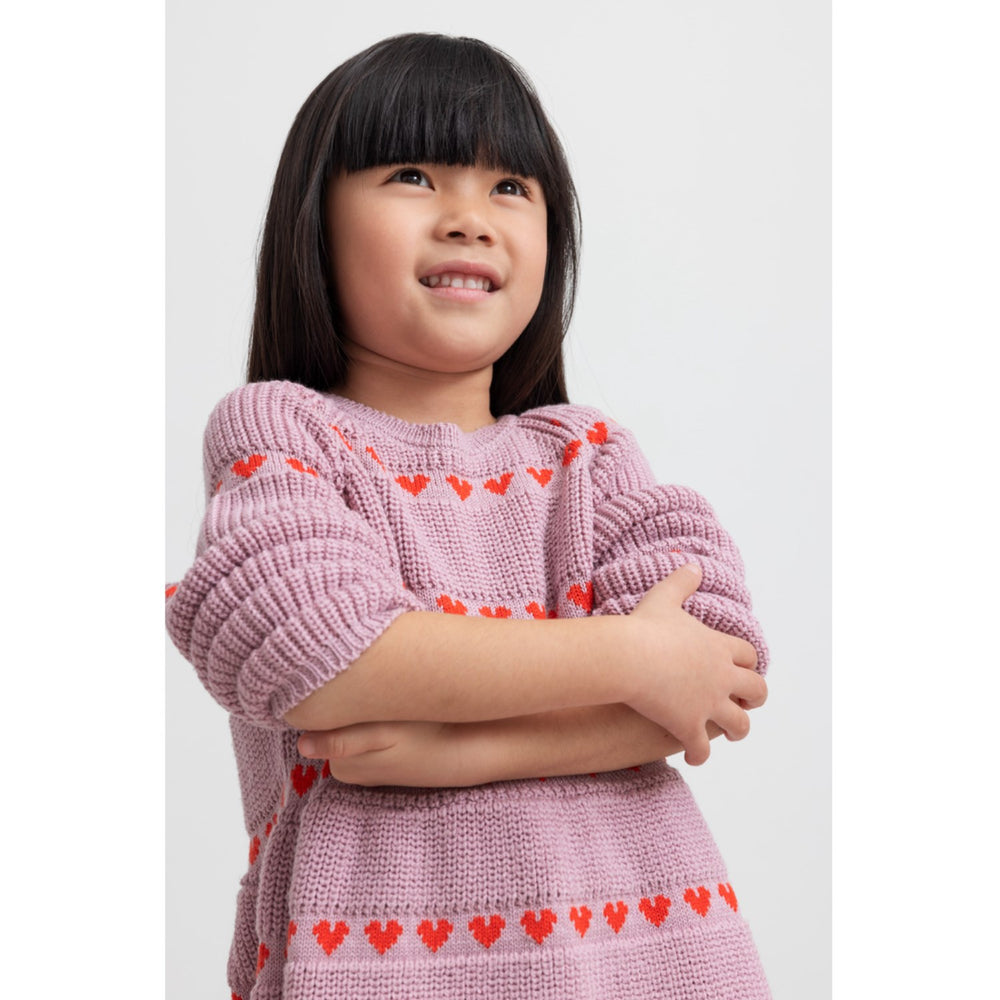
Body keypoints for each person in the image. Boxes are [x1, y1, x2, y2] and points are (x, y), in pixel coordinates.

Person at [166, 32, 772, 1000]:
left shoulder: (588, 455)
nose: (468, 219)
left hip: (653, 962)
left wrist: (457, 748)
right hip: (378, 965)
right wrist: (632, 656)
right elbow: (324, 658)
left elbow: (715, 675)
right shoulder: (284, 432)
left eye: (510, 187)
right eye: (413, 175)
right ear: (313, 221)